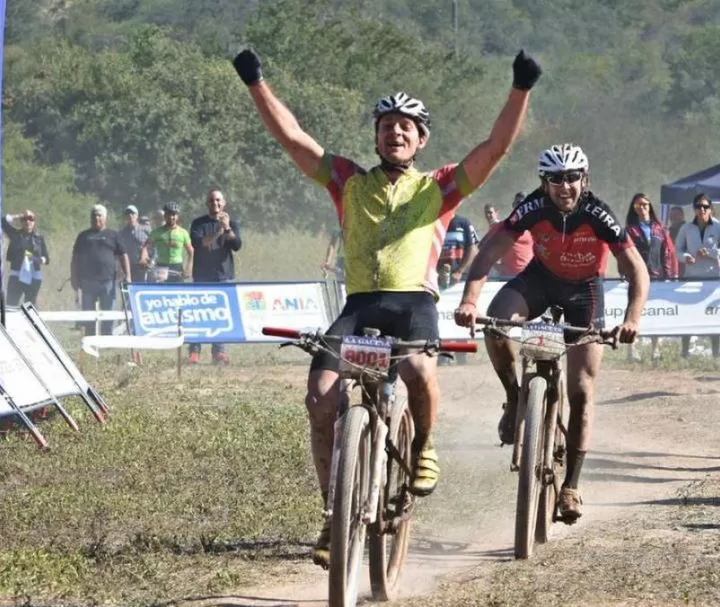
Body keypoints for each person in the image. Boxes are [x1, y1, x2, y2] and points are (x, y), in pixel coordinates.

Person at [232, 44, 541, 565]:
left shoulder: (439, 186)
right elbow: (292, 138)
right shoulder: (347, 180)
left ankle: (422, 446)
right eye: (386, 126)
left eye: (406, 127)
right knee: (320, 395)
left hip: (412, 304)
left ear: (421, 139)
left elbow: (495, 148)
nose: (395, 133)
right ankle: (334, 513)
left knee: (419, 368)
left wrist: (521, 88)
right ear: (375, 136)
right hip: (359, 304)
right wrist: (254, 81)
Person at [454, 144, 649, 524]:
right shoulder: (533, 207)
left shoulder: (598, 214)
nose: (565, 186)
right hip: (540, 280)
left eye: (572, 177)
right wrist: (469, 300)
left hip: (585, 293)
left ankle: (571, 487)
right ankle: (514, 398)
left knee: (580, 390)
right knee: (496, 324)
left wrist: (632, 319)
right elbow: (489, 253)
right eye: (555, 179)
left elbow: (637, 270)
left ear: (584, 179)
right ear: (544, 183)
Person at [188, 188, 242, 365]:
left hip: (223, 276)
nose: (215, 203)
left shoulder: (232, 224)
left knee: (220, 315)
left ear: (224, 203)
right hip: (202, 276)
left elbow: (236, 245)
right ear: (207, 204)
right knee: (198, 314)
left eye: (218, 200)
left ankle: (219, 352)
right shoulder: (198, 224)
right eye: (212, 201)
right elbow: (200, 243)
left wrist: (226, 228)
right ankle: (194, 351)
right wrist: (219, 230)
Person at [622, 193, 677, 362]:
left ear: (650, 206)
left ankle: (656, 349)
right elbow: (624, 253)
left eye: (645, 204)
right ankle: (632, 350)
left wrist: (670, 275)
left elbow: (668, 252)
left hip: (657, 276)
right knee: (634, 311)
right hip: (636, 276)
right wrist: (625, 273)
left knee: (656, 313)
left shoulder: (660, 229)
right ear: (634, 207)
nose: (642, 207)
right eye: (638, 205)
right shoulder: (629, 230)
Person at [674, 194, 720, 358]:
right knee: (688, 314)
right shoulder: (686, 229)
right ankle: (685, 351)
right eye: (698, 206)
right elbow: (677, 250)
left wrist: (712, 253)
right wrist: (685, 258)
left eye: (705, 206)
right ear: (694, 209)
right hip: (691, 277)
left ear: (710, 208)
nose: (702, 210)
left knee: (713, 315)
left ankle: (716, 352)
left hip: (713, 278)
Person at [70, 205, 131, 336]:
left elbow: (123, 255)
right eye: (94, 215)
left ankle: (106, 339)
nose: (96, 218)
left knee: (108, 313)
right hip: (87, 281)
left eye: (99, 215)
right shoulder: (83, 236)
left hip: (107, 281)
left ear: (105, 218)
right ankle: (90, 339)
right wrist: (74, 277)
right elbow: (75, 258)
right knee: (88, 313)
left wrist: (128, 275)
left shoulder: (113, 235)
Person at [2, 209, 50, 307]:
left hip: (34, 276)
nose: (28, 221)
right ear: (21, 222)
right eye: (24, 219)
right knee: (11, 305)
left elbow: (46, 259)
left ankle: (30, 322)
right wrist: (19, 215)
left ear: (34, 222)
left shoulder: (39, 238)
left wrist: (36, 259)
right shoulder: (15, 234)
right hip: (16, 275)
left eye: (31, 219)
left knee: (30, 307)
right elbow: (3, 221)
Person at [480, 202, 533, 277]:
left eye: (490, 212)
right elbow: (482, 247)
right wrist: (496, 266)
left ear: (496, 213)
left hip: (525, 273)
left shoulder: (501, 227)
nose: (488, 215)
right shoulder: (498, 227)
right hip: (509, 275)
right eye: (486, 213)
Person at [146, 202, 193, 284]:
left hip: (177, 267)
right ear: (164, 216)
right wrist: (144, 257)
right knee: (161, 291)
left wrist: (188, 268)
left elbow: (191, 252)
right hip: (161, 266)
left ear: (177, 216)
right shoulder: (156, 232)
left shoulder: (183, 232)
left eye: (174, 214)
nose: (171, 217)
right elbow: (146, 247)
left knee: (177, 291)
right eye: (168, 214)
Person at [437, 214, 479, 290]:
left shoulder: (464, 222)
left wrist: (459, 271)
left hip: (460, 282)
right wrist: (437, 273)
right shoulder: (434, 223)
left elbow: (473, 250)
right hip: (435, 282)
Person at [118, 205, 151, 284]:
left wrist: (152, 260)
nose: (130, 215)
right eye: (128, 213)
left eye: (132, 213)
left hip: (143, 267)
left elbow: (155, 246)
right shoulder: (121, 233)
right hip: (128, 267)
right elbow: (119, 251)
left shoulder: (146, 230)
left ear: (137, 215)